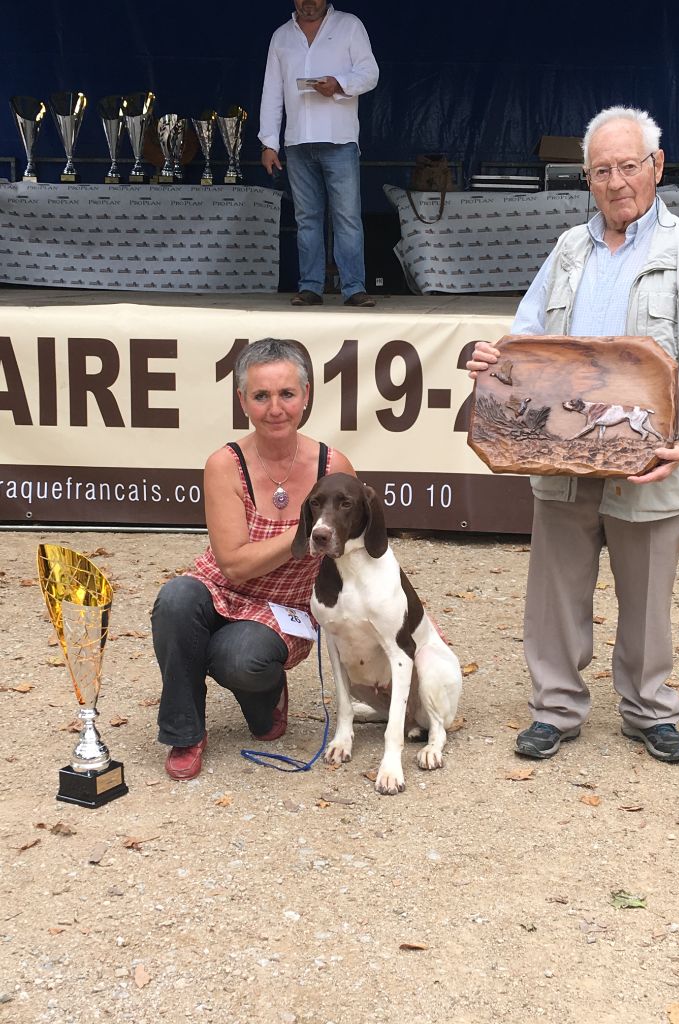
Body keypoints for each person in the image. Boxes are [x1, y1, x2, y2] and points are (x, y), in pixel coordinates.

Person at [468, 105, 679, 764]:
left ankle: (651, 710)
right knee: (556, 590)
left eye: (628, 166)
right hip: (564, 451)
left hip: (650, 457)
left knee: (647, 593)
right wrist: (494, 358)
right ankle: (555, 708)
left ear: (656, 167)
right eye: (601, 170)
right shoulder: (569, 248)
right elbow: (529, 339)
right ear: (587, 179)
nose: (616, 182)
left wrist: (677, 439)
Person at [151, 338, 355, 780]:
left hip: (286, 609)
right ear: (242, 399)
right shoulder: (225, 463)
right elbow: (235, 565)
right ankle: (184, 733)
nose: (275, 408)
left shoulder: (332, 465)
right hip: (222, 587)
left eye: (286, 393)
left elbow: (354, 551)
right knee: (176, 600)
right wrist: (304, 529)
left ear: (306, 395)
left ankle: (266, 693)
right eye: (261, 395)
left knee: (239, 658)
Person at [258, 1, 379, 308]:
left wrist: (340, 84)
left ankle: (353, 287)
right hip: (297, 141)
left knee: (347, 217)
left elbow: (370, 72)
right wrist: (269, 142)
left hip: (339, 138)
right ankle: (310, 286)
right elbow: (272, 89)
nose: (308, 3)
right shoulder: (281, 36)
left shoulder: (349, 25)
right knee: (307, 218)